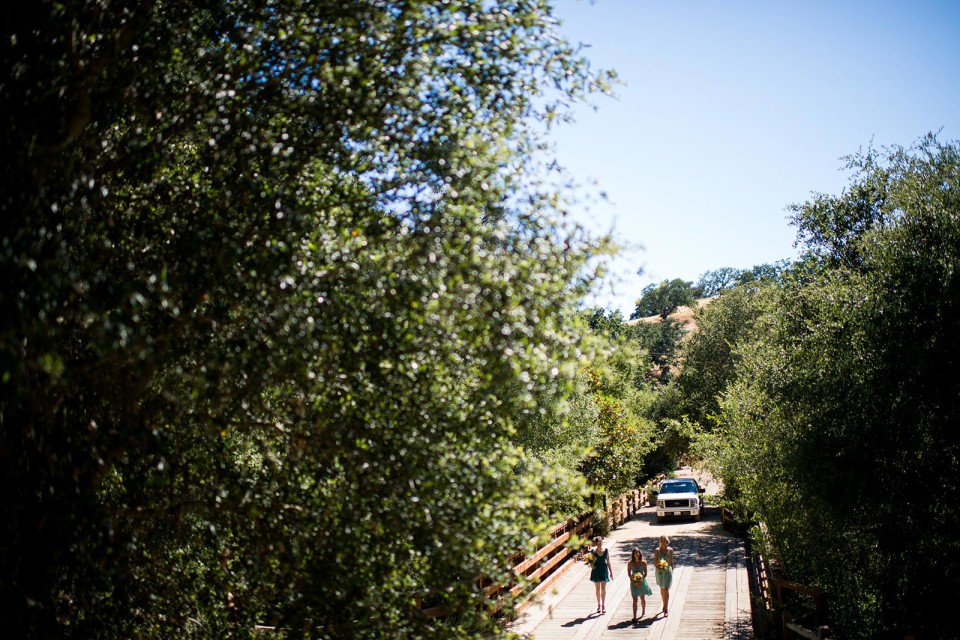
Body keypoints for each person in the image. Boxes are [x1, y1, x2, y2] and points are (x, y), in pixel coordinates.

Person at [588, 535, 614, 614]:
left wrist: (611, 572)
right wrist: (591, 564)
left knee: (603, 588)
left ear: (602, 543)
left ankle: (603, 605)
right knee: (597, 589)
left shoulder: (606, 551)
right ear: (596, 544)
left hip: (603, 569)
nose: (599, 545)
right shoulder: (593, 552)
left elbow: (608, 562)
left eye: (600, 543)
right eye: (598, 544)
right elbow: (590, 563)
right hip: (596, 570)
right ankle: (598, 605)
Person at [627, 548, 653, 620]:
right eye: (635, 553)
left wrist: (640, 580)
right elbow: (629, 574)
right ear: (633, 554)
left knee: (642, 598)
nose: (637, 554)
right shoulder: (630, 563)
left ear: (640, 553)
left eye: (638, 553)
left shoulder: (643, 562)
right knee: (634, 600)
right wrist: (634, 580)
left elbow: (645, 574)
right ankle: (634, 616)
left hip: (642, 582)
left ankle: (643, 612)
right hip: (633, 583)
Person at [653, 535, 675, 617]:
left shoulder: (670, 550)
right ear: (660, 542)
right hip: (660, 572)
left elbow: (671, 562)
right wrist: (660, 566)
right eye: (661, 541)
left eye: (664, 541)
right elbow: (655, 562)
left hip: (668, 572)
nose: (663, 542)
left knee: (666, 589)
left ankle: (666, 608)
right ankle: (664, 604)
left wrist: (672, 570)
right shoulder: (656, 551)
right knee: (662, 589)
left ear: (667, 542)